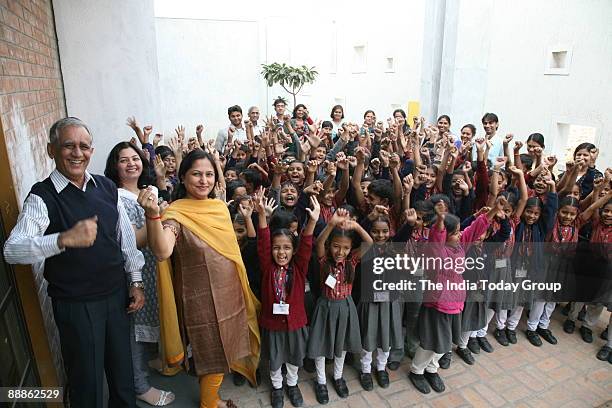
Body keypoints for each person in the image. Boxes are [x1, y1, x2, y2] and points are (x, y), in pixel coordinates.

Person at [3, 117, 145, 408]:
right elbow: (12, 250)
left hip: (117, 298)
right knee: (87, 384)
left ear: (92, 151)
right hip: (77, 306)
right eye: (68, 146)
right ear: (50, 150)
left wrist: (136, 281)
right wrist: (62, 239)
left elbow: (125, 238)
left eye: (84, 146)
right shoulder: (42, 197)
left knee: (122, 377)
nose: (77, 153)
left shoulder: (106, 187)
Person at [138, 149, 260, 408]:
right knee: (210, 349)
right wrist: (152, 216)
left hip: (230, 292)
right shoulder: (176, 214)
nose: (204, 180)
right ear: (183, 177)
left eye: (209, 174)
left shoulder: (218, 207)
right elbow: (162, 251)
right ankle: (209, 403)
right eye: (196, 174)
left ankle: (211, 398)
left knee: (227, 343)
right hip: (200, 300)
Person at [104, 141, 175, 406]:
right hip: (137, 272)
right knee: (135, 330)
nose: (131, 163)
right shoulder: (116, 198)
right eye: (123, 160)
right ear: (114, 166)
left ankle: (149, 364)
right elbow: (133, 240)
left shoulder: (149, 190)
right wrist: (158, 217)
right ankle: (139, 385)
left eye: (135, 158)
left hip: (157, 267)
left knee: (152, 323)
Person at [255, 187, 320, 408]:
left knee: (294, 357)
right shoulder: (267, 268)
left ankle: (292, 384)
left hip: (296, 324)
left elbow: (307, 247)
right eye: (276, 248)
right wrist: (262, 216)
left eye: (286, 248)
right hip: (273, 324)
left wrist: (311, 222)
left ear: (293, 250)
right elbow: (263, 244)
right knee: (274, 359)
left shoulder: (299, 267)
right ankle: (276, 387)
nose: (281, 253)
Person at [307, 208, 372, 404]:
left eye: (345, 248)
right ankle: (320, 381)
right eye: (336, 246)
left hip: (345, 307)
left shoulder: (352, 260)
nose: (340, 251)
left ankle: (338, 376)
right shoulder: (323, 260)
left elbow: (369, 243)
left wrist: (356, 226)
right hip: (325, 307)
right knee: (321, 344)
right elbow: (318, 242)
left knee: (342, 345)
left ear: (351, 248)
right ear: (330, 246)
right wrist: (332, 224)